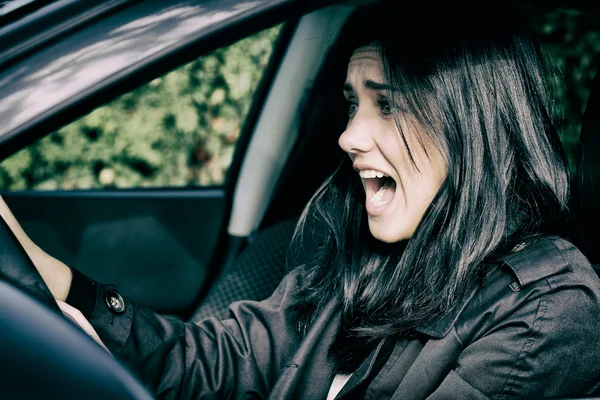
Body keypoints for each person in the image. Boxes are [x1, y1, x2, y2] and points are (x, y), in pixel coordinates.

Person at [2, 0, 600, 398]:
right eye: (350, 103)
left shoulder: (548, 308)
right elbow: (203, 363)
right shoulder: (365, 264)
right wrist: (29, 261)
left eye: (386, 104)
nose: (346, 137)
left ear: (471, 124)